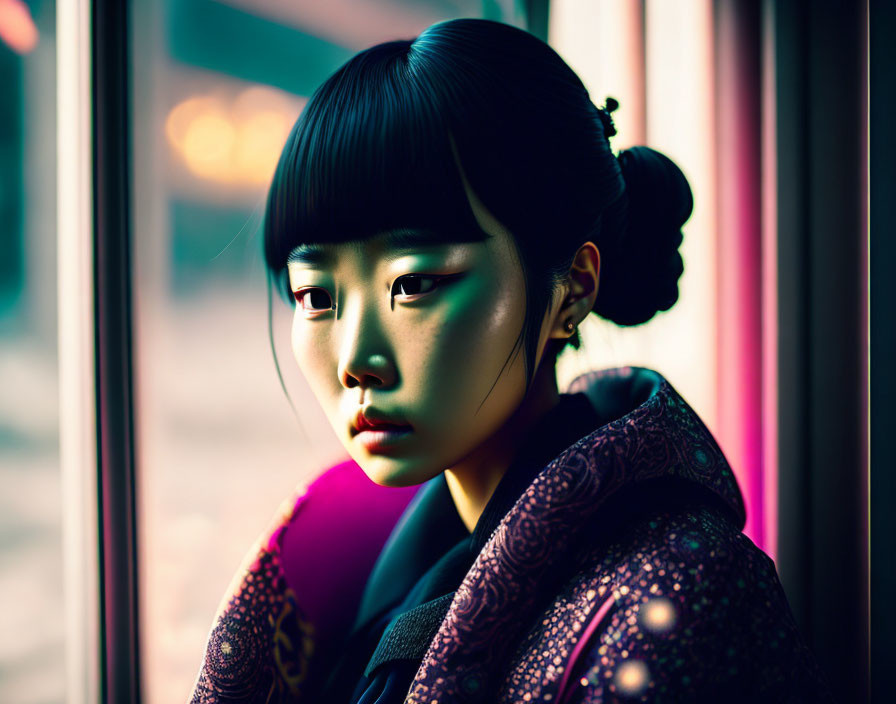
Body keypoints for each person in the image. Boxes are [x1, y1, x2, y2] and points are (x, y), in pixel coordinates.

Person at [189, 18, 834, 704]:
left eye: (414, 283)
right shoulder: (357, 558)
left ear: (572, 288)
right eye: (316, 296)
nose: (356, 359)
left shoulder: (679, 603)